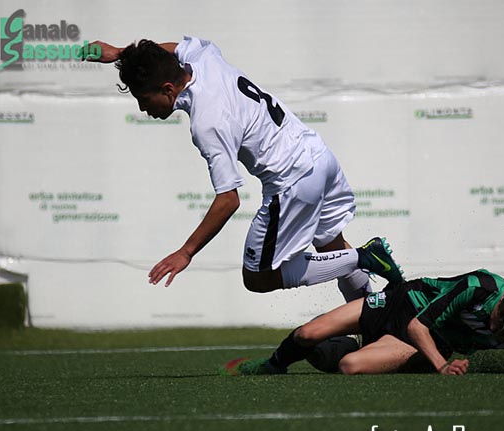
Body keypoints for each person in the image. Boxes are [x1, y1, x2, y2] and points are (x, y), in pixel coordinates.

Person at [87, 36, 403, 300]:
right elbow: (166, 52)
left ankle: (366, 256)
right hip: (318, 156)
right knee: (331, 246)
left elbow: (229, 200)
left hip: (293, 180)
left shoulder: (207, 122)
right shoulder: (204, 56)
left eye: (143, 99)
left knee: (258, 278)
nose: (142, 108)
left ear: (168, 89)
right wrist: (119, 54)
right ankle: (378, 318)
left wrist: (186, 252)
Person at [220, 268, 504, 376]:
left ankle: (356, 350)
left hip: (422, 339)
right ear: (502, 302)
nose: (496, 332)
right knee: (307, 332)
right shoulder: (478, 287)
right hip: (404, 305)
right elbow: (418, 324)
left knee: (351, 366)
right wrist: (443, 365)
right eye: (498, 322)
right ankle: (272, 366)